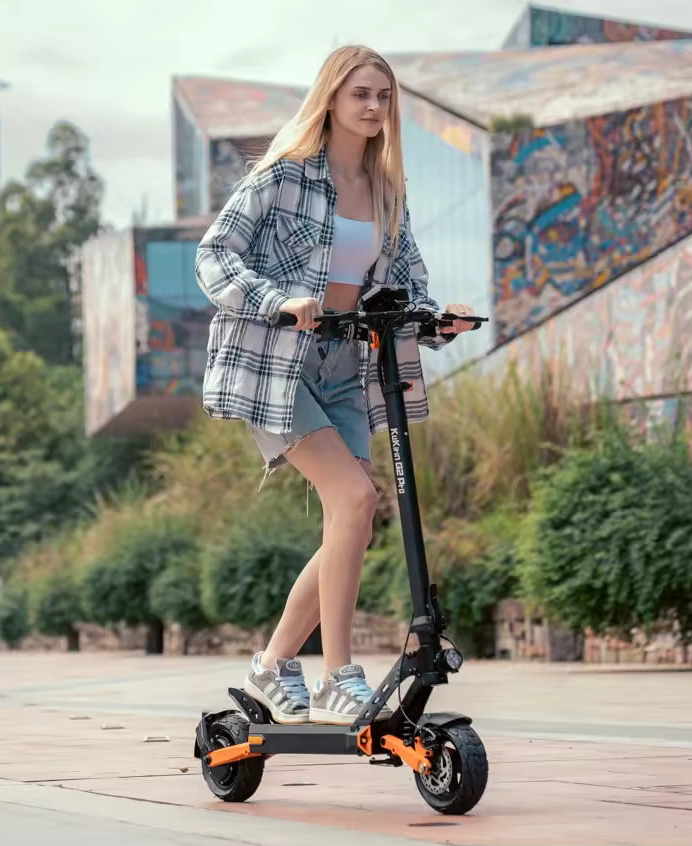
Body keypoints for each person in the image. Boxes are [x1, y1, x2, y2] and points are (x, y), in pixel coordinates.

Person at [194, 45, 476, 726]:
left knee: (352, 520)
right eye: (361, 94)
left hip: (346, 367)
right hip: (276, 364)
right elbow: (213, 255)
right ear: (331, 98)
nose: (374, 106)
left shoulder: (387, 192)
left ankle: (269, 666)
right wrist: (278, 299)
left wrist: (439, 322)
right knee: (353, 498)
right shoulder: (282, 178)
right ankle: (336, 676)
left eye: (384, 95)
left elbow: (404, 282)